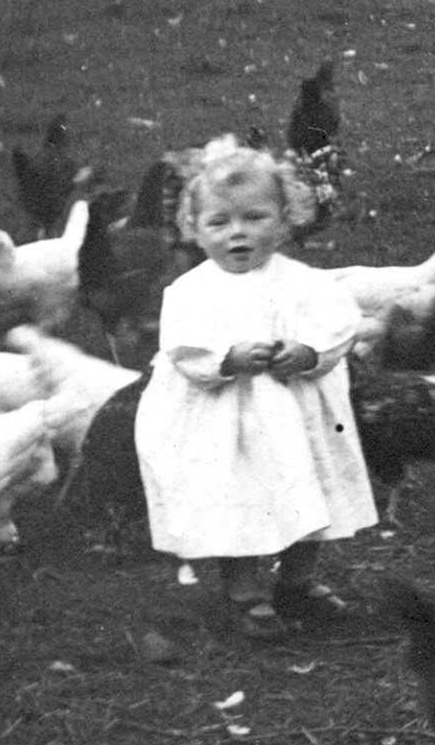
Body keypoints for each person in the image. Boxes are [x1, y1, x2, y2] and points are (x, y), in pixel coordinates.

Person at [135, 139, 374, 636]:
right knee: (238, 499)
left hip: (299, 416)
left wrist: (309, 352)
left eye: (254, 218)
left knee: (310, 493)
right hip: (228, 423)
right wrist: (226, 359)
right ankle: (244, 592)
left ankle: (298, 580)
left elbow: (338, 327)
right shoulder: (191, 292)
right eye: (219, 222)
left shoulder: (306, 283)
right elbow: (184, 352)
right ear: (195, 230)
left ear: (286, 220)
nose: (237, 233)